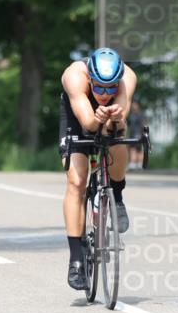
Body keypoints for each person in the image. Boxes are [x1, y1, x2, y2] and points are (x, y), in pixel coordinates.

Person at [60, 47, 137, 291]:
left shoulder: (127, 78)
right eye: (99, 87)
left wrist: (114, 118)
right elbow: (89, 124)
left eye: (110, 88)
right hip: (78, 116)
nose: (105, 94)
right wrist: (98, 117)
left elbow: (118, 123)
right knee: (77, 181)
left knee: (116, 138)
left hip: (111, 119)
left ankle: (117, 193)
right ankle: (75, 260)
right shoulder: (74, 77)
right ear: (90, 79)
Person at [127, 100, 145, 170]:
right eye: (133, 105)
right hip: (132, 133)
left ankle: (139, 163)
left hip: (138, 133)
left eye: (135, 105)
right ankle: (133, 162)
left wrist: (142, 134)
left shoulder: (140, 115)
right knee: (132, 148)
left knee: (138, 149)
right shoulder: (131, 115)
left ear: (138, 106)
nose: (133, 106)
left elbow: (143, 124)